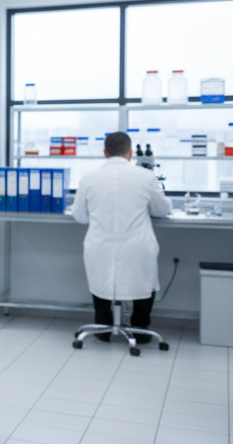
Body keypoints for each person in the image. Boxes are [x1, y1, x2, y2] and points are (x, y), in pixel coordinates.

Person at [71, 131, 172, 340]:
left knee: (102, 285)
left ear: (105, 153)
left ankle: (103, 330)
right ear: (130, 153)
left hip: (100, 245)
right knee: (143, 286)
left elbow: (79, 216)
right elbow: (163, 210)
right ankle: (141, 331)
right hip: (137, 247)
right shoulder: (145, 177)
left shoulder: (89, 178)